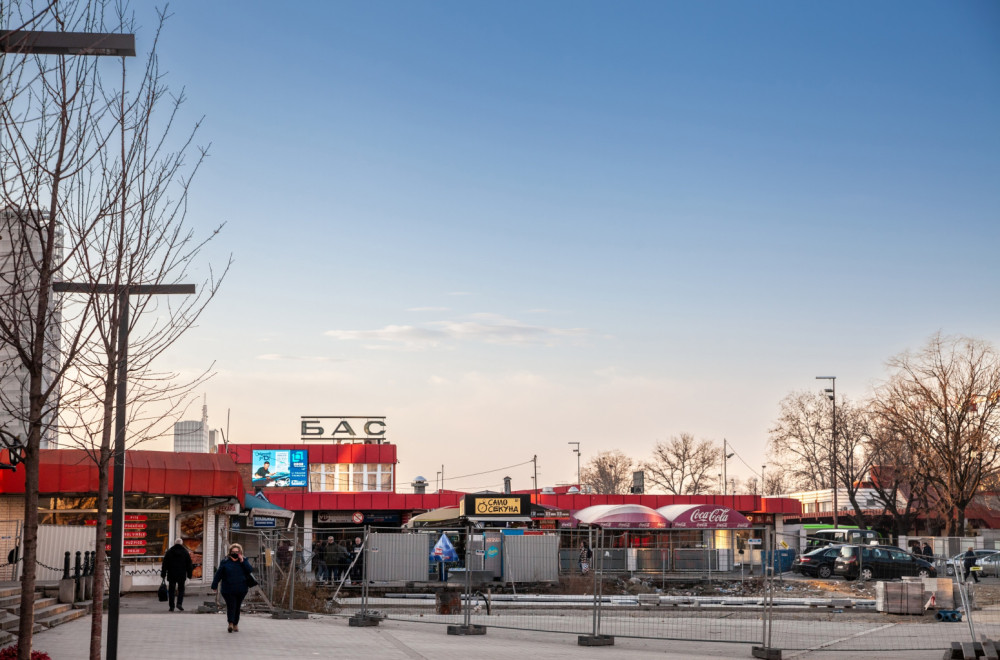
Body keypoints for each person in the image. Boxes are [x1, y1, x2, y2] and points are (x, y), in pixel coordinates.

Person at [211, 542, 256, 633]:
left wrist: (242, 561)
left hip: (241, 588)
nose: (235, 553)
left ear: (240, 552)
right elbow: (218, 574)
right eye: (233, 551)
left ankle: (235, 623)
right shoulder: (225, 562)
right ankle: (230, 623)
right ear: (230, 552)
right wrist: (214, 585)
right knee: (231, 605)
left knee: (237, 606)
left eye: (237, 551)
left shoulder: (244, 561)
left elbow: (250, 570)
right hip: (228, 588)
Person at [161, 539, 193, 612]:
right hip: (181, 575)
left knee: (171, 590)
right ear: (181, 544)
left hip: (171, 574)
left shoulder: (169, 552)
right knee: (181, 590)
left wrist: (163, 573)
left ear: (175, 544)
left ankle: (171, 606)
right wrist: (189, 574)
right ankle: (179, 604)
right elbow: (189, 565)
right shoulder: (185, 552)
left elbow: (165, 564)